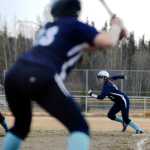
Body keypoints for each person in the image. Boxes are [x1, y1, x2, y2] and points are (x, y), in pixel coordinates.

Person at [2, 0, 127, 150]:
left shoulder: (47, 29)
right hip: (41, 75)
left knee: (20, 127)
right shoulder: (74, 25)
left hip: (13, 76)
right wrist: (116, 25)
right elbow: (107, 42)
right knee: (79, 127)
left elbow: (90, 46)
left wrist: (116, 34)